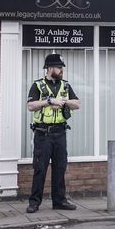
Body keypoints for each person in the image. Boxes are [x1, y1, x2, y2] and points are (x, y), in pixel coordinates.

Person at [26, 52, 80, 213]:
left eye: (61, 66)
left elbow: (77, 104)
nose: (61, 69)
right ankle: (34, 202)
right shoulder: (37, 85)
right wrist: (49, 101)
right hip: (43, 134)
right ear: (49, 68)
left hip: (60, 133)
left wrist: (64, 102)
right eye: (58, 67)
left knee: (60, 167)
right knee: (40, 168)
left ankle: (59, 200)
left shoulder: (66, 85)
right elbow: (30, 106)